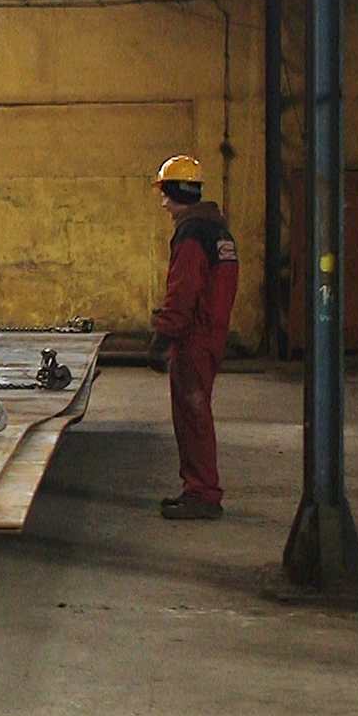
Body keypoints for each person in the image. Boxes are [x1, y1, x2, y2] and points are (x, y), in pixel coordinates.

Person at [149, 154, 239, 520]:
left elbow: (183, 290)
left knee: (193, 417)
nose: (163, 203)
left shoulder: (191, 233)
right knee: (195, 413)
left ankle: (202, 494)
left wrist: (163, 336)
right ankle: (197, 489)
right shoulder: (218, 230)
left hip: (194, 338)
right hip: (212, 334)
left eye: (165, 194)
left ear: (176, 192)